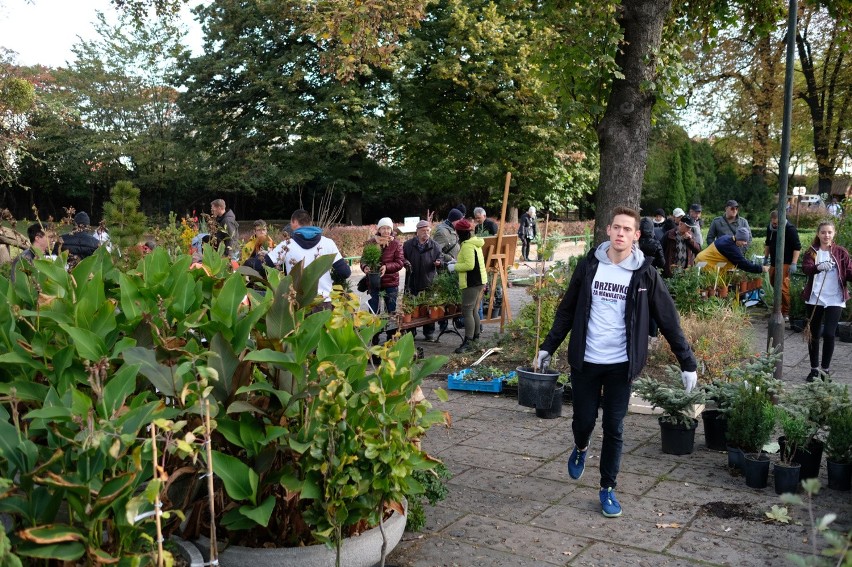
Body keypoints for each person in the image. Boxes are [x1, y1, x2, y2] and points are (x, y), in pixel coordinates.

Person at [535, 206, 697, 518]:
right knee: (583, 421)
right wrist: (548, 346)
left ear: (636, 236)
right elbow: (567, 310)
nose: (621, 233)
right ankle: (581, 446)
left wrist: (687, 362)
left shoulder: (645, 273)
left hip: (621, 364)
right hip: (587, 361)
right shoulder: (589, 267)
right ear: (608, 230)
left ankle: (607, 487)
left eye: (627, 229)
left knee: (614, 427)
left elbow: (669, 320)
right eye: (616, 228)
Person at [800, 219, 852, 381]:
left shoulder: (841, 252)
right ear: (818, 234)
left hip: (835, 298)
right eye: (823, 232)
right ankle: (814, 369)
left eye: (829, 232)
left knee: (829, 334)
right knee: (814, 334)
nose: (826, 235)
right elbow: (806, 268)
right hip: (815, 299)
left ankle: (825, 370)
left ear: (834, 233)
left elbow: (849, 272)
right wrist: (818, 267)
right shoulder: (812, 252)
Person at [265, 209, 352, 304]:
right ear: (310, 223)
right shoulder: (328, 243)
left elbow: (264, 265)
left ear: (294, 222)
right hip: (323, 301)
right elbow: (345, 272)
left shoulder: (286, 246)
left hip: (297, 303)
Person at [450, 219, 486, 354]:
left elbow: (469, 266)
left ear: (459, 233)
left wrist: (454, 267)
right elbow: (471, 261)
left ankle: (468, 342)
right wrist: (457, 261)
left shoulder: (467, 245)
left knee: (467, 311)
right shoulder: (475, 243)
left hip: (471, 282)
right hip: (479, 280)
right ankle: (475, 339)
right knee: (474, 311)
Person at [403, 220, 443, 341]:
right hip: (412, 280)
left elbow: (440, 258)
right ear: (417, 232)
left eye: (428, 231)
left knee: (428, 307)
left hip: (428, 280)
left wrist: (439, 263)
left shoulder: (435, 245)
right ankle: (411, 332)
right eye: (423, 231)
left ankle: (429, 333)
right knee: (411, 307)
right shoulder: (408, 244)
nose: (426, 233)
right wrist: (405, 262)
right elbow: (402, 257)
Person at [360, 217, 405, 321]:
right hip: (373, 281)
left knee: (391, 311)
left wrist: (386, 267)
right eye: (383, 228)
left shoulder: (396, 244)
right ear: (379, 230)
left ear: (391, 230)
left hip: (390, 282)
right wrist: (365, 267)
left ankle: (391, 334)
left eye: (388, 228)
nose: (386, 231)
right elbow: (363, 259)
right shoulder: (371, 242)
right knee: (373, 311)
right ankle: (374, 335)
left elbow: (400, 262)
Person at [763, 211, 801, 321]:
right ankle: (777, 309)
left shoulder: (790, 229)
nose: (775, 225)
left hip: (786, 262)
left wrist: (793, 263)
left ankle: (785, 312)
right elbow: (768, 243)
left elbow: (797, 247)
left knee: (782, 287)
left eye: (777, 223)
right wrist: (766, 258)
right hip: (774, 262)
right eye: (773, 223)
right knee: (773, 283)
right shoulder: (770, 228)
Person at [695, 227, 763, 274]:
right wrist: (760, 269)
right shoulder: (730, 247)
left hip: (702, 259)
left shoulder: (727, 238)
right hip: (704, 264)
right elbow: (742, 264)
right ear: (739, 238)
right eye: (744, 241)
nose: (745, 243)